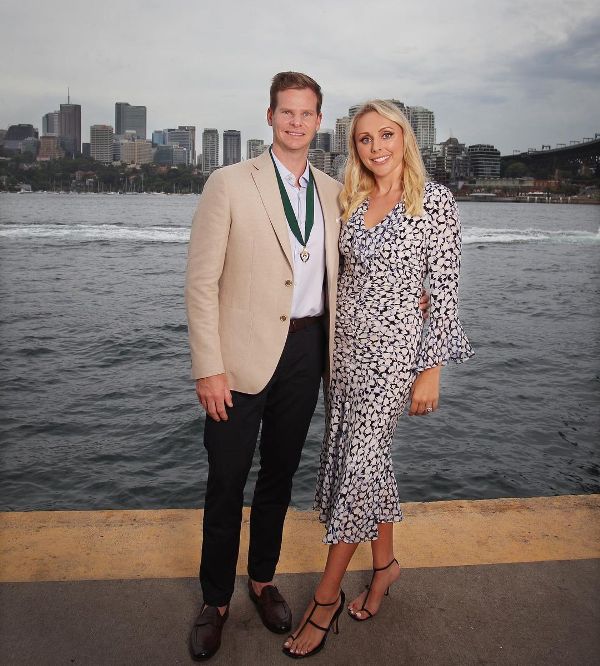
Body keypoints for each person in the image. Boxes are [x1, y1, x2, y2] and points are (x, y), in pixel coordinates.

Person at [185, 75, 429, 660]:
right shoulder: (228, 183)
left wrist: (413, 297)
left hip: (309, 351)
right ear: (270, 117)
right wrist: (208, 368)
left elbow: (370, 262)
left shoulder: (333, 191)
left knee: (278, 477)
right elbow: (200, 283)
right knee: (225, 483)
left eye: (307, 113)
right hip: (240, 358)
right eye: (286, 112)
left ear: (320, 122)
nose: (296, 122)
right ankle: (215, 600)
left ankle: (262, 581)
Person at [282, 100, 473, 659]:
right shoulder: (354, 199)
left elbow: (442, 294)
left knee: (358, 467)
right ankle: (384, 567)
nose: (375, 147)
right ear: (355, 148)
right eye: (364, 139)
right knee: (365, 463)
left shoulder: (434, 203)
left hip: (393, 361)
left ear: (405, 139)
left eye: (385, 135)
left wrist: (430, 371)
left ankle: (325, 597)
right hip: (344, 357)